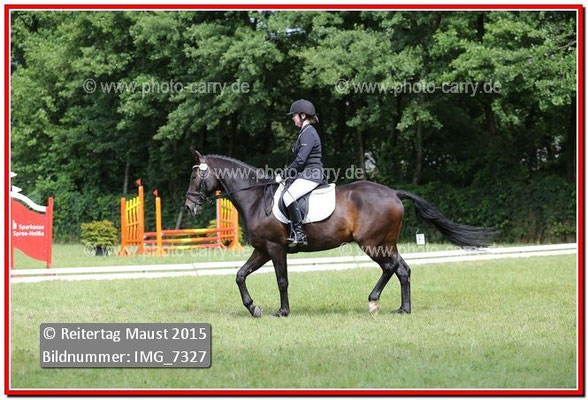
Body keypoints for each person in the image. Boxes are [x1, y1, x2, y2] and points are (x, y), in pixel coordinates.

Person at [280, 99, 324, 247]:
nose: (293, 118)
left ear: (303, 115)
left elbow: (300, 161)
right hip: (306, 174)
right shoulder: (304, 132)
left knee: (288, 197)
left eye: (294, 115)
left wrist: (283, 175)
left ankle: (299, 234)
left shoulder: (308, 133)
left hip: (311, 175)